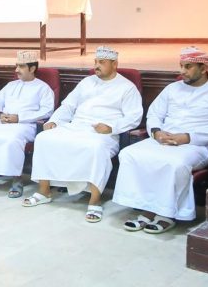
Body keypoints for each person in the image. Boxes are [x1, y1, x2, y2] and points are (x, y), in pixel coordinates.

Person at [23, 46, 143, 223]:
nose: (97, 66)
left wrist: (111, 127)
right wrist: (55, 121)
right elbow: (68, 106)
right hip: (76, 126)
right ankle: (44, 191)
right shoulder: (86, 82)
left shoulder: (127, 87)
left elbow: (134, 117)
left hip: (103, 133)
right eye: (95, 62)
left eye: (101, 62)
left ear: (114, 64)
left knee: (96, 147)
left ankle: (94, 200)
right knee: (43, 138)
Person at [113, 47, 208, 233]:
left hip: (196, 144)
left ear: (203, 68)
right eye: (181, 66)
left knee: (174, 163)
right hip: (164, 139)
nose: (182, 71)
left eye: (188, 67)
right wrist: (156, 132)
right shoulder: (172, 88)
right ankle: (145, 208)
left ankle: (168, 214)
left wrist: (187, 137)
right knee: (129, 154)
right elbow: (154, 114)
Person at [0, 51, 54, 198]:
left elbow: (47, 111)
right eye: (16, 66)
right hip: (2, 122)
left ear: (32, 68)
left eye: (21, 66)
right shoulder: (11, 85)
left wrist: (19, 118)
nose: (16, 70)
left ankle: (16, 178)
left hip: (26, 125)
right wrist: (0, 115)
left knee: (11, 139)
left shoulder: (43, 88)